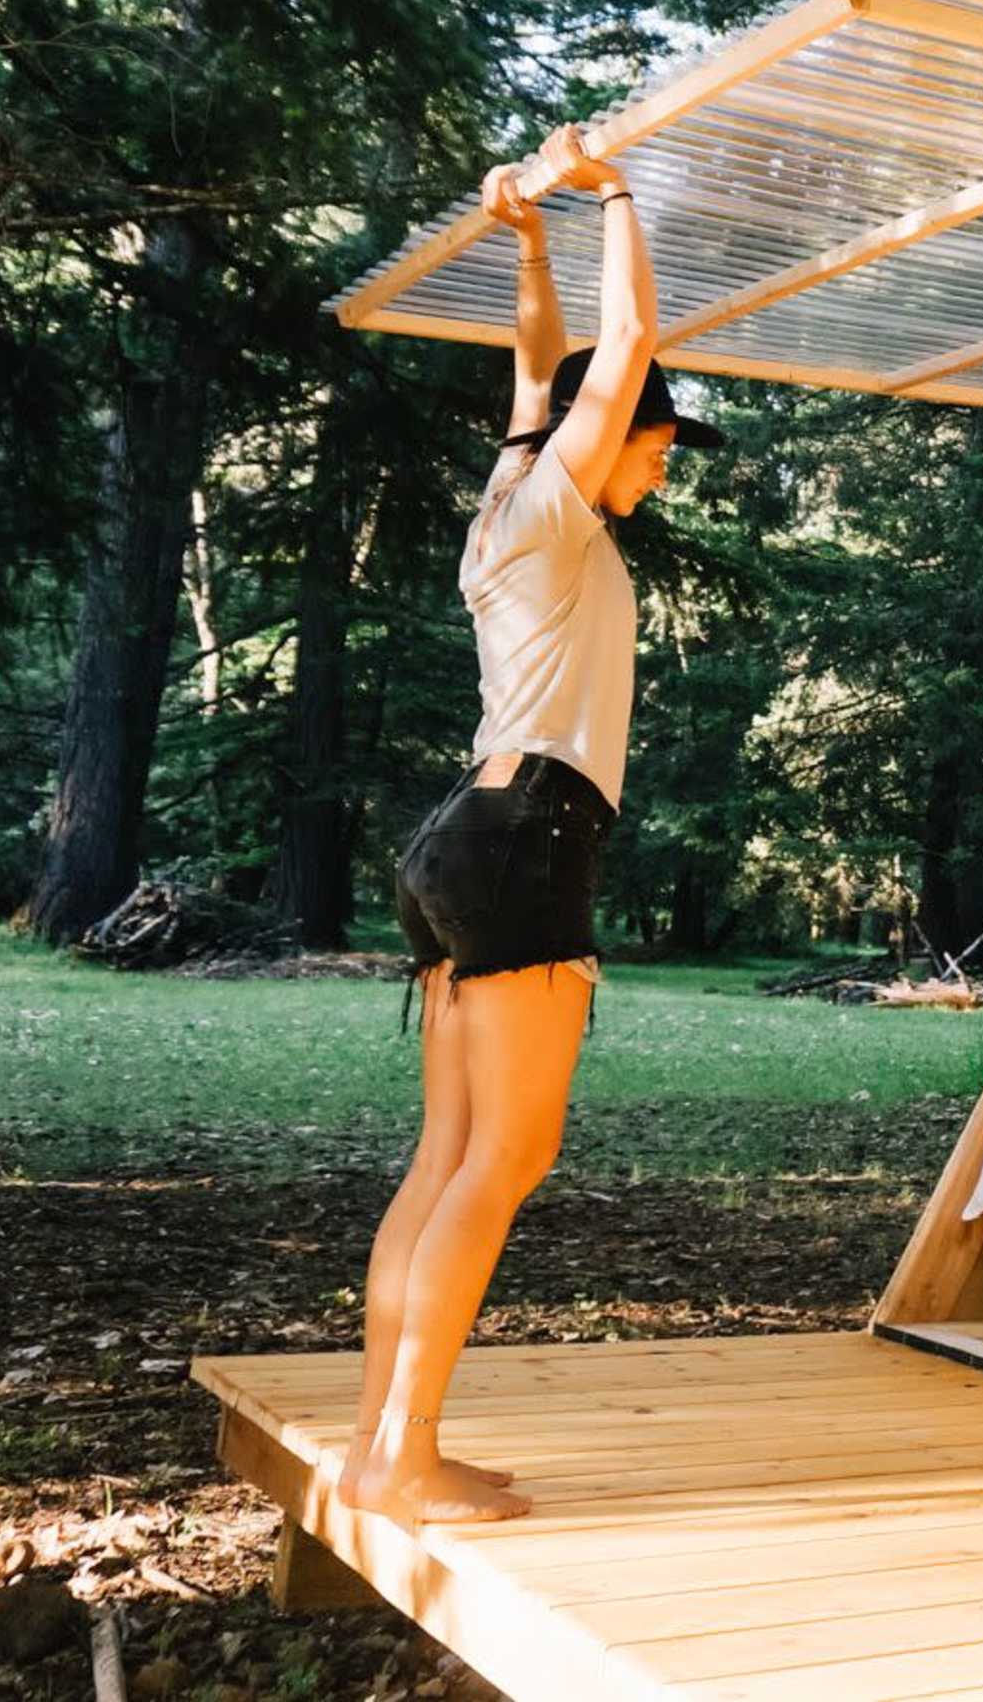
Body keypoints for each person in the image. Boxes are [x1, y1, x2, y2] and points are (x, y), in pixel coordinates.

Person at [335, 126, 721, 1525]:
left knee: (448, 1156)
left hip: (464, 836)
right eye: (661, 444)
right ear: (618, 438)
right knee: (505, 1159)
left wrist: (529, 236)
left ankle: (384, 1443)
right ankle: (401, 1458)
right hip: (524, 843)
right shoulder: (560, 509)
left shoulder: (511, 492)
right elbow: (616, 350)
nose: (663, 469)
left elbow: (543, 362)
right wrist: (613, 186)